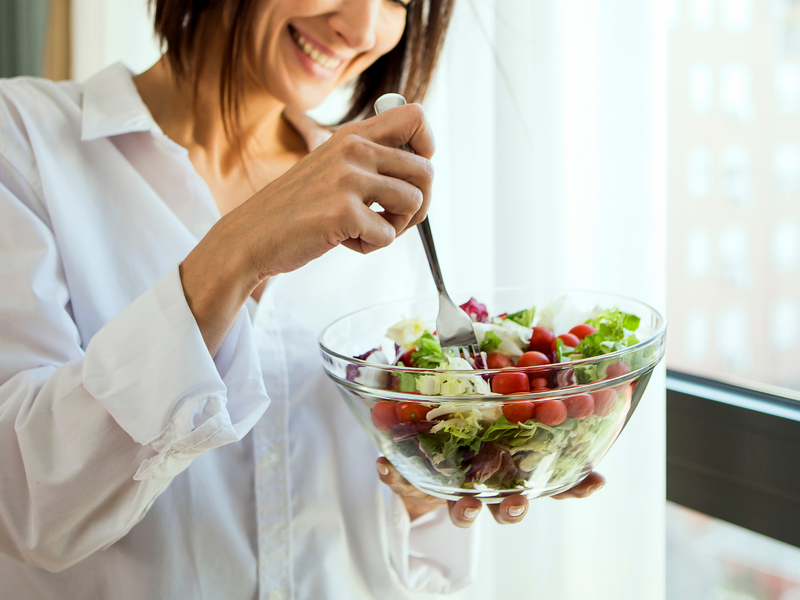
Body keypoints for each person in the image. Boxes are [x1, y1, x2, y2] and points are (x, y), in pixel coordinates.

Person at [0, 0, 605, 597]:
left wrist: (431, 482)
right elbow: (25, 505)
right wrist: (237, 251)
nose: (363, 27)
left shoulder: (379, 193)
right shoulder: (23, 141)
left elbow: (401, 560)